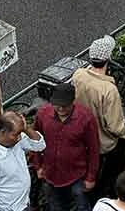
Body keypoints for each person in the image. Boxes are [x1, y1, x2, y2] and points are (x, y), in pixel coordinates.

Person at [72, 37, 125, 200]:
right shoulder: (108, 89)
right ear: (108, 59)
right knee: (112, 174)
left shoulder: (79, 75)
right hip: (105, 144)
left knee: (91, 174)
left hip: (84, 138)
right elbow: (114, 126)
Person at [34, 83, 100, 211]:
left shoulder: (86, 118)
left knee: (82, 206)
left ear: (73, 101)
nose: (60, 109)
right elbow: (35, 141)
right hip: (50, 174)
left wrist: (91, 177)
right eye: (57, 105)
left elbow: (94, 149)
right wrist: (38, 166)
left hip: (77, 176)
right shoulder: (43, 115)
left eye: (65, 105)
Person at [0, 109, 46, 211]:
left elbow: (40, 145)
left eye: (20, 133)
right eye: (16, 134)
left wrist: (25, 129)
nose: (19, 138)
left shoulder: (15, 138)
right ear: (3, 132)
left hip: (23, 203)